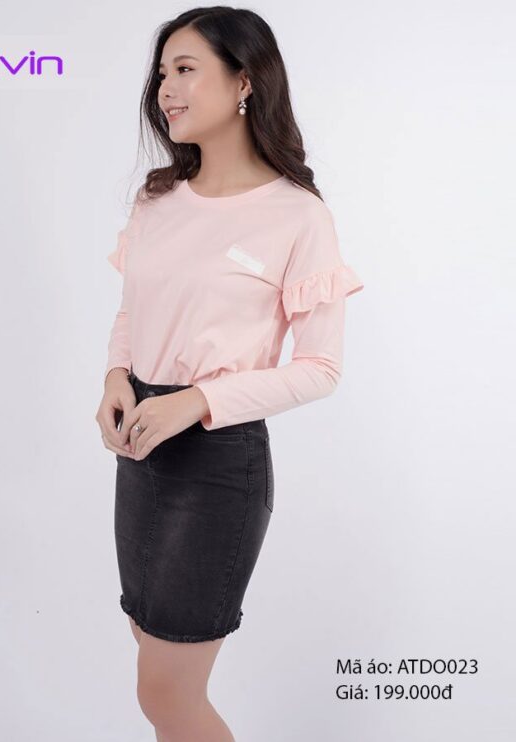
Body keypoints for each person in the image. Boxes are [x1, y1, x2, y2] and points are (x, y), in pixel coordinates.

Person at [95, 7, 364, 741]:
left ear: (245, 81)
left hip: (217, 463)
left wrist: (197, 400)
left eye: (185, 69)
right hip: (139, 450)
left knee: (166, 692)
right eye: (161, 73)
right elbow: (134, 309)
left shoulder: (296, 215)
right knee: (152, 660)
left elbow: (320, 368)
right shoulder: (157, 199)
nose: (165, 89)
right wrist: (116, 377)